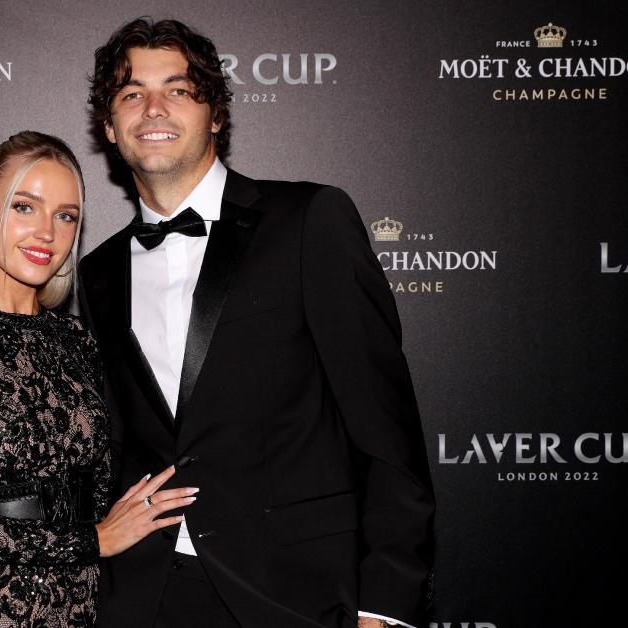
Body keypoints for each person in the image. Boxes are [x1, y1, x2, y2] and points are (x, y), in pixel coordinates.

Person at [77, 20, 436, 628]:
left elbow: (385, 427)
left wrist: (387, 604)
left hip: (293, 592)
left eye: (179, 90)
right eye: (130, 93)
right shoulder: (98, 269)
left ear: (216, 115)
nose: (153, 108)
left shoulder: (308, 220)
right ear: (110, 127)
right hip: (146, 593)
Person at [0, 131, 197, 627]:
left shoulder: (78, 337)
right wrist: (94, 539)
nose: (46, 233)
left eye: (65, 216)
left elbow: (102, 481)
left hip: (89, 607)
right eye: (24, 207)